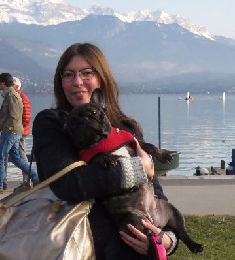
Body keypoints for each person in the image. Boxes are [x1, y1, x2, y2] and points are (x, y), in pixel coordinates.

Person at [32, 42, 179, 259]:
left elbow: (155, 195)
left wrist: (166, 240)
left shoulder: (126, 128)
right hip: (78, 250)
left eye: (86, 73)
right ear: (60, 81)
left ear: (101, 79)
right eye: (69, 74)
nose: (77, 82)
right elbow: (70, 184)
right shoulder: (52, 124)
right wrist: (139, 168)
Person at [0, 73, 39, 195]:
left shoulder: (12, 96)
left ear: (3, 83)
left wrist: (4, 128)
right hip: (14, 131)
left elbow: (13, 116)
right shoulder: (11, 95)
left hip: (11, 131)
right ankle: (36, 178)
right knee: (16, 158)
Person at [2, 77, 32, 189]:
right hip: (17, 131)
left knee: (18, 155)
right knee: (7, 155)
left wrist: (18, 129)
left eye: (11, 85)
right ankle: (3, 181)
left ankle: (28, 180)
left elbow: (26, 117)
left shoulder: (19, 97)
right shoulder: (17, 97)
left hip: (17, 132)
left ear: (16, 86)